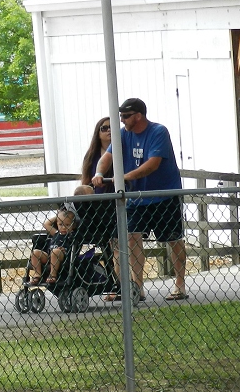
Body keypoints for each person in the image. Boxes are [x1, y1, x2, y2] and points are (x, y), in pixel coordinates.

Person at [92, 98, 188, 301]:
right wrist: (99, 172)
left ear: (138, 116)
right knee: (131, 237)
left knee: (173, 239)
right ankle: (137, 287)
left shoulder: (158, 132)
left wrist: (126, 177)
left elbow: (153, 164)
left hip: (164, 195)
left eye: (125, 116)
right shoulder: (122, 135)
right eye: (121, 116)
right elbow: (106, 157)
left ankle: (180, 283)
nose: (122, 120)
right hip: (137, 198)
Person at [29, 207, 78, 285]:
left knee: (56, 252)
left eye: (67, 225)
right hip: (49, 255)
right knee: (35, 252)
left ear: (73, 225)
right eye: (60, 224)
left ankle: (53, 275)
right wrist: (58, 216)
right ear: (57, 224)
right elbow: (46, 224)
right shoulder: (56, 233)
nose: (64, 227)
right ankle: (37, 275)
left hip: (63, 256)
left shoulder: (72, 234)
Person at [80, 116, 113, 187]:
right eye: (104, 128)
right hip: (97, 194)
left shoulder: (123, 151)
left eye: (112, 127)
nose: (109, 130)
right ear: (98, 134)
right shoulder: (91, 155)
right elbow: (86, 179)